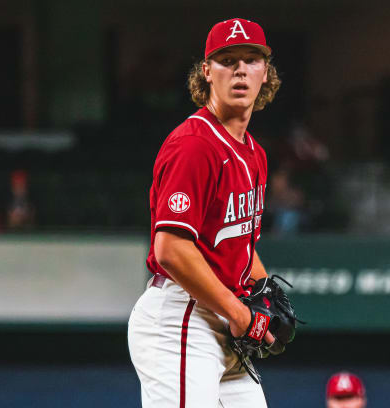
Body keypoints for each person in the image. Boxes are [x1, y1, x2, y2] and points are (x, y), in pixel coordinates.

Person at [127, 18, 281, 407]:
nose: (240, 69)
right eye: (228, 60)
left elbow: (236, 239)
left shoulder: (254, 152)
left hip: (221, 320)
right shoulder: (195, 145)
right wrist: (240, 314)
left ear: (266, 73)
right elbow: (171, 250)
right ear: (207, 73)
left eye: (251, 59)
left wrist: (264, 291)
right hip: (182, 317)